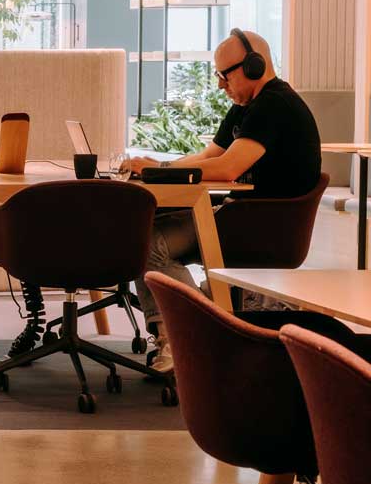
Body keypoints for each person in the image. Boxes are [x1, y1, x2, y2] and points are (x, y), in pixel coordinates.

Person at [123, 28, 321, 373]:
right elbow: (209, 154)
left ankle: (190, 342)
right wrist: (155, 170)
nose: (220, 84)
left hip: (263, 226)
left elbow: (228, 168)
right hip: (240, 217)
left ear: (254, 66)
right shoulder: (248, 107)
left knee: (150, 242)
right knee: (145, 232)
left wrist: (161, 171)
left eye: (223, 75)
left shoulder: (275, 105)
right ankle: (188, 335)